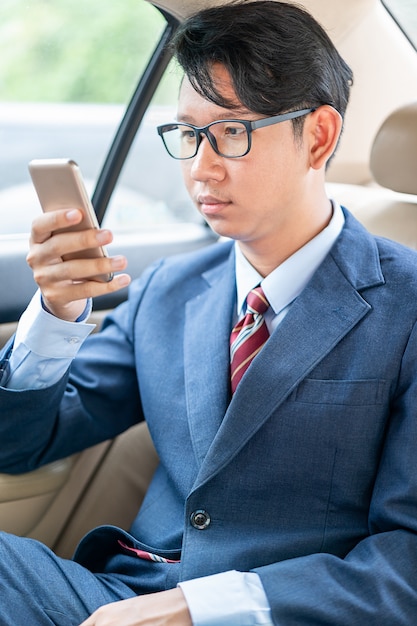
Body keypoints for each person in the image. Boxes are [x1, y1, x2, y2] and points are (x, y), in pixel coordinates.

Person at [1, 0, 417, 624]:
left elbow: (407, 556)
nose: (200, 167)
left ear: (321, 137)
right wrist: (58, 314)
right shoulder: (170, 289)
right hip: (116, 599)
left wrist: (197, 610)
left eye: (231, 131)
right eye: (189, 134)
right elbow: (20, 445)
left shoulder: (406, 305)